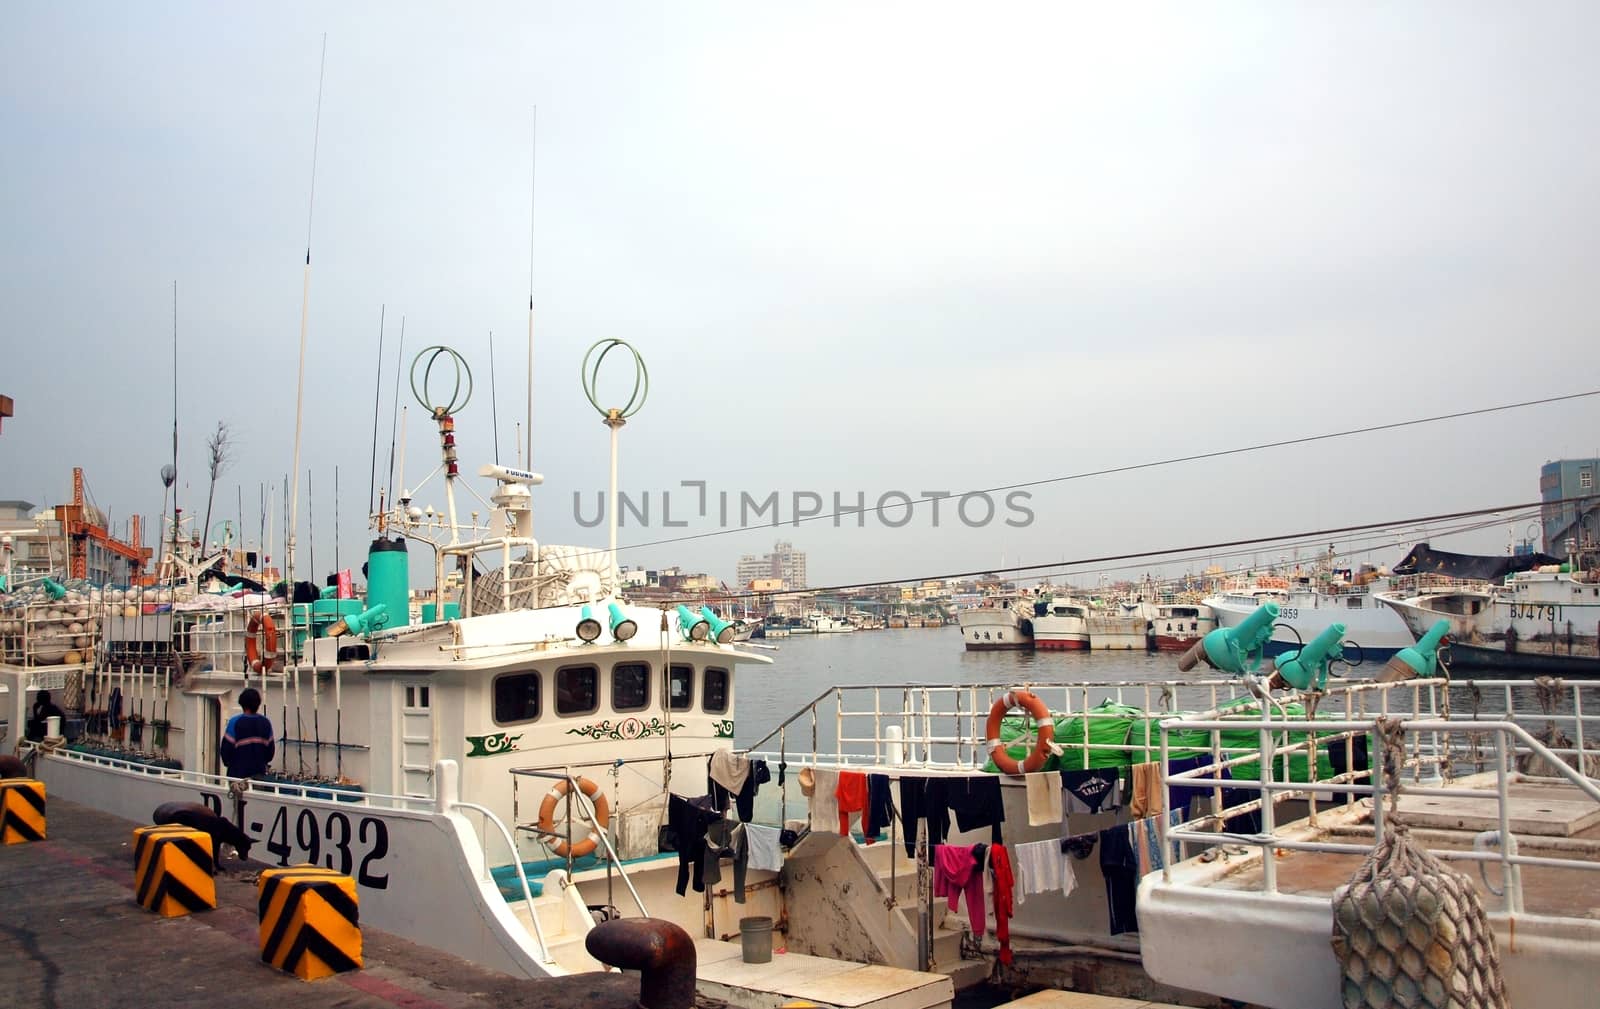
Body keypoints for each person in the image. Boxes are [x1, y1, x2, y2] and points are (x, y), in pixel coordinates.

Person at [220, 687, 275, 780]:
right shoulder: (266, 723)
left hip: (237, 776)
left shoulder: (235, 722)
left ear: (242, 704)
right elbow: (270, 753)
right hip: (259, 775)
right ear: (258, 704)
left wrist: (230, 763)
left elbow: (226, 751)